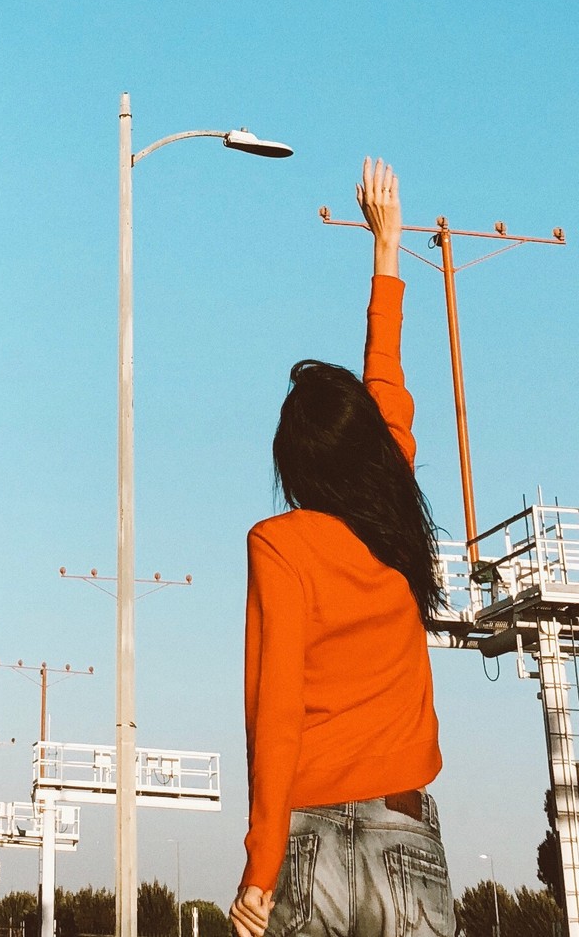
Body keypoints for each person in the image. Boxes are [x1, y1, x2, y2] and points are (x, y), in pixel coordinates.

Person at [230, 158, 453, 937]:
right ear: (366, 445)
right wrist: (386, 245)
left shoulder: (279, 545)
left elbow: (277, 711)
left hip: (307, 845)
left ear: (292, 469)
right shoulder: (394, 515)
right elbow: (385, 374)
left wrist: (260, 872)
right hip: (405, 838)